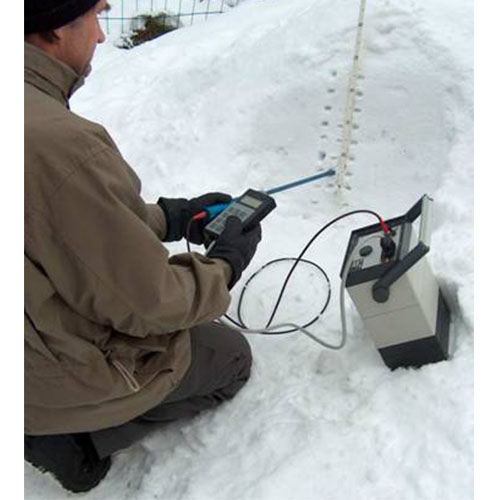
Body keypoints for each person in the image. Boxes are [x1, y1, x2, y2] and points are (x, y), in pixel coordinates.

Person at [24, 0, 262, 493]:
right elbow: (149, 305)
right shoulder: (57, 142)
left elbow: (50, 223)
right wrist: (224, 265)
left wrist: (168, 217)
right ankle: (76, 440)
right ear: (54, 29)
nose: (101, 36)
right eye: (96, 16)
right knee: (228, 356)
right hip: (35, 374)